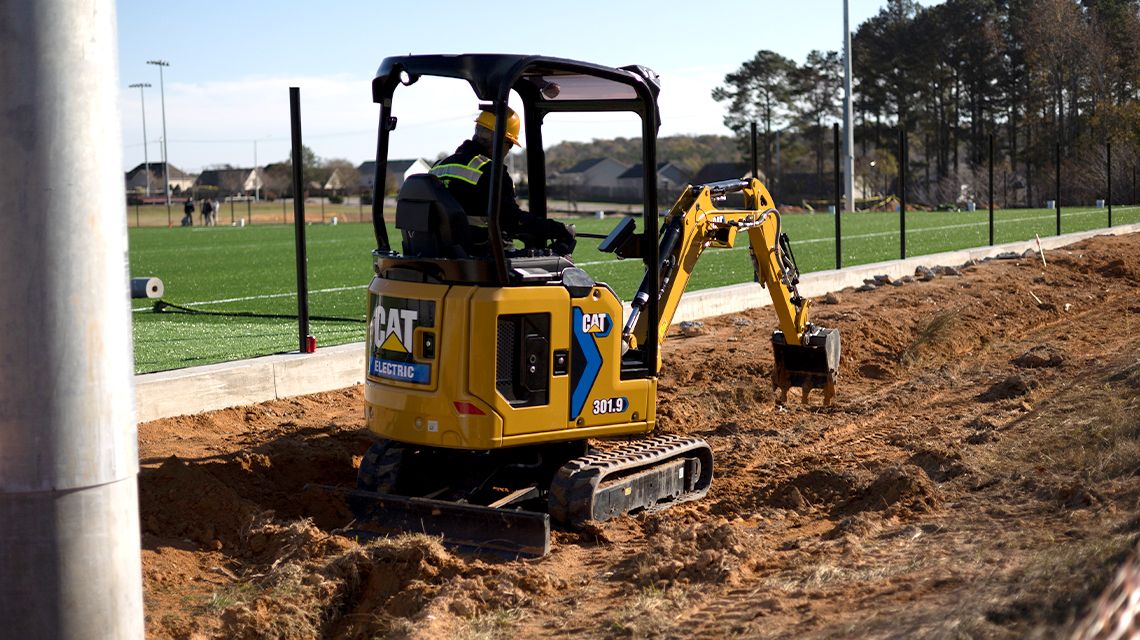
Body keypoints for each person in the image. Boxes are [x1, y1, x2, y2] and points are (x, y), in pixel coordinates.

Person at [429, 106, 575, 256]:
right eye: (510, 144)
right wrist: (559, 230)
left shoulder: (438, 166)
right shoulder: (491, 172)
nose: (508, 150)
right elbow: (513, 221)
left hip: (441, 255)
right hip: (480, 259)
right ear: (500, 140)